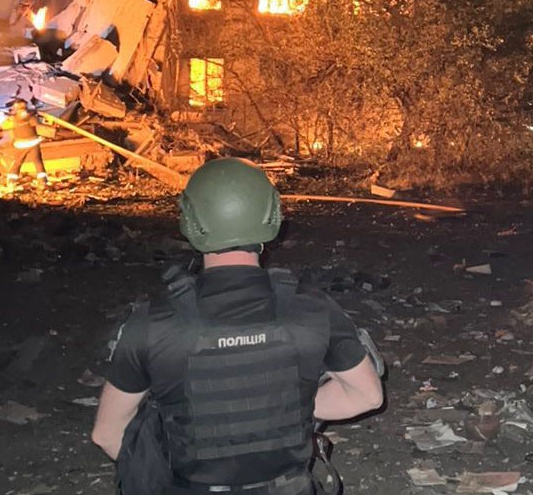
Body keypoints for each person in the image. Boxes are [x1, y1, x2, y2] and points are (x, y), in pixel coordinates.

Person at [91, 158, 383, 494]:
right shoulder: (312, 308)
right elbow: (368, 396)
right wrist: (283, 408)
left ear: (190, 222)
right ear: (272, 217)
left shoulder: (152, 322)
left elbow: (107, 434)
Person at [3, 99, 47, 187]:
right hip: (33, 142)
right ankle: (43, 181)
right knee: (37, 161)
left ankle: (12, 181)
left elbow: (5, 127)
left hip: (20, 144)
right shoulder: (31, 116)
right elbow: (38, 124)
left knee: (18, 162)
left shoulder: (12, 119)